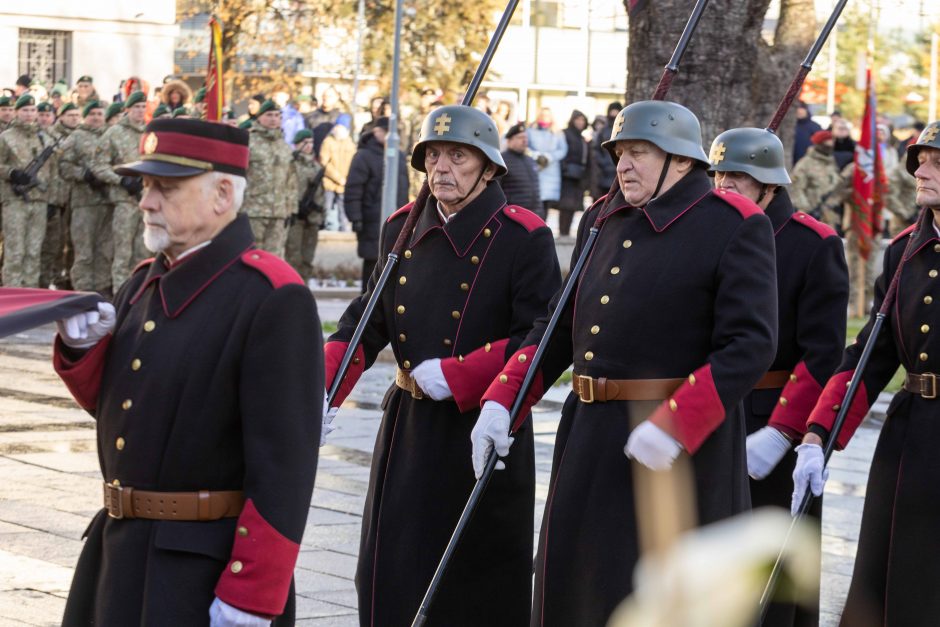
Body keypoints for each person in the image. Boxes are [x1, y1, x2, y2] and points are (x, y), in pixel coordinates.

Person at [474, 101, 778, 625]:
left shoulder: (733, 224)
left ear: (682, 161)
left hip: (676, 453)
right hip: (589, 435)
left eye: (638, 152)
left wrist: (678, 423)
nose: (623, 165)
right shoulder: (602, 217)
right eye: (618, 153)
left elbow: (750, 343)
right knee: (575, 588)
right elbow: (557, 326)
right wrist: (503, 399)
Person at [52, 117, 322, 626]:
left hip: (200, 567)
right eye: (146, 186)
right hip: (119, 552)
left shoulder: (270, 296)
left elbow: (285, 466)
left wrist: (252, 593)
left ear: (222, 194)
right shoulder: (144, 283)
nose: (145, 202)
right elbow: (131, 412)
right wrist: (81, 348)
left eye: (165, 188)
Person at [324, 104, 560, 626]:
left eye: (458, 156)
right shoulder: (400, 230)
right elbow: (366, 321)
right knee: (391, 570)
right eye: (433, 155)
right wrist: (324, 387)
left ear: (489, 168)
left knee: (472, 579)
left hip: (484, 426)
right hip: (409, 427)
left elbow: (539, 338)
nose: (441, 168)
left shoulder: (524, 237)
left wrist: (461, 374)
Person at [791, 121, 940, 627]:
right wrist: (818, 434)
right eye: (919, 158)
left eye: (936, 160)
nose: (920, 168)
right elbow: (869, 356)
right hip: (912, 439)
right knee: (896, 578)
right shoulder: (904, 252)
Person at [709, 126, 848, 627]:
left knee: (773, 569)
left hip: (772, 419)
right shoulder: (709, 233)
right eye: (718, 174)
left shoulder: (813, 245)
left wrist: (783, 430)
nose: (723, 186)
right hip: (713, 409)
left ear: (769, 186)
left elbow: (824, 353)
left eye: (737, 178)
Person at [343, 116, 408, 291]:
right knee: (373, 263)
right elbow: (354, 188)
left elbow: (404, 187)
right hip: (372, 218)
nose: (391, 136)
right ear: (376, 132)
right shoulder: (364, 156)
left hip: (397, 218)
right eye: (387, 132)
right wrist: (355, 217)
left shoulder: (399, 156)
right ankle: (367, 306)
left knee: (395, 264)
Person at [92, 90, 146, 288]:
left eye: (143, 107)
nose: (140, 111)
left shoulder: (150, 133)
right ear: (128, 109)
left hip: (147, 199)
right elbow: (98, 165)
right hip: (124, 200)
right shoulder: (114, 133)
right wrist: (120, 180)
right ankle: (121, 295)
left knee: (143, 253)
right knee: (123, 252)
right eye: (136, 107)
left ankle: (140, 295)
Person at [59, 100, 113, 295]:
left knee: (105, 251)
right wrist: (84, 175)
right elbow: (63, 166)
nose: (96, 117)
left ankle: (102, 293)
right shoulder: (76, 137)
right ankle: (82, 292)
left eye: (99, 114)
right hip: (84, 203)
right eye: (92, 114)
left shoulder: (111, 136)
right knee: (84, 251)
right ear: (86, 116)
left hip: (108, 202)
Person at [0, 94, 52, 286]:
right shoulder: (6, 137)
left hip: (39, 200)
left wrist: (51, 200)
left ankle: (31, 297)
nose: (29, 114)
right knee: (15, 252)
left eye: (32, 110)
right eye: (25, 110)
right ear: (16, 112)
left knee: (33, 252)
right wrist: (12, 173)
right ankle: (12, 299)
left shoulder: (44, 137)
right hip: (14, 201)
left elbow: (51, 172)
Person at [241, 100, 296, 256]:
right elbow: (239, 175)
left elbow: (290, 180)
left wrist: (291, 209)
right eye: (269, 115)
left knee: (275, 257)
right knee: (252, 255)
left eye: (277, 115)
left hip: (279, 212)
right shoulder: (249, 142)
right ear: (259, 118)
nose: (273, 119)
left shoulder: (284, 145)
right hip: (253, 211)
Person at [41, 102, 82, 289]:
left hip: (75, 197)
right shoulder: (50, 137)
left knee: (72, 241)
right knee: (52, 244)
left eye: (76, 115)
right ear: (62, 116)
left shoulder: (79, 136)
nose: (74, 118)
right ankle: (51, 278)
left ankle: (65, 278)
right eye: (70, 115)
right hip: (52, 198)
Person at [285, 128, 326, 285]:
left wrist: (322, 216)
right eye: (305, 142)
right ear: (297, 145)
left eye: (311, 142)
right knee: (293, 258)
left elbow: (321, 194)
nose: (309, 145)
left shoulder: (316, 167)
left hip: (312, 218)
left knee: (307, 259)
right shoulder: (292, 164)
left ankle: (304, 287)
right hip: (296, 218)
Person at [789, 130, 844, 231]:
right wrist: (806, 210)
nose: (830, 146)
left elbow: (836, 186)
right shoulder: (805, 163)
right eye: (826, 143)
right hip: (812, 215)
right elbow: (796, 188)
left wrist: (834, 202)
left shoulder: (831, 163)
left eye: (832, 142)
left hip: (830, 216)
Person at [526, 107, 567, 220]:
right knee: (534, 202)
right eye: (543, 115)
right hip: (535, 168)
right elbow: (526, 146)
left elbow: (563, 150)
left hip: (551, 170)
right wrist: (536, 155)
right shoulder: (530, 130)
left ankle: (543, 226)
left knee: (546, 204)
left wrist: (550, 157)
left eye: (547, 115)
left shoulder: (557, 132)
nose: (545, 117)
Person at [319, 116, 356, 231]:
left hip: (345, 183)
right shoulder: (328, 142)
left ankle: (344, 228)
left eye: (341, 127)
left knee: (343, 208)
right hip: (329, 182)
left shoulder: (351, 144)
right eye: (337, 126)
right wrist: (338, 177)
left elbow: (353, 163)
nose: (338, 129)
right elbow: (324, 162)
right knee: (326, 207)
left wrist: (347, 179)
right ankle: (326, 227)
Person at [558, 110, 591, 236]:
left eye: (582, 120)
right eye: (578, 119)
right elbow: (562, 152)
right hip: (567, 176)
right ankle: (563, 232)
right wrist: (565, 168)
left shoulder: (582, 138)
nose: (580, 122)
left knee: (574, 205)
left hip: (579, 176)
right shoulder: (565, 134)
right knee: (565, 205)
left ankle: (566, 232)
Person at [499, 122, 541, 213]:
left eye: (525, 137)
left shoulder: (530, 160)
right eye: (520, 137)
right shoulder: (501, 161)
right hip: (514, 215)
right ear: (509, 141)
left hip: (534, 215)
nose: (524, 140)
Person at [591, 102, 622, 200]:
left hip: (618, 172)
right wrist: (603, 162)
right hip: (603, 174)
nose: (614, 113)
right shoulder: (603, 131)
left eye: (616, 110)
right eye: (612, 111)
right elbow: (595, 149)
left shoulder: (623, 130)